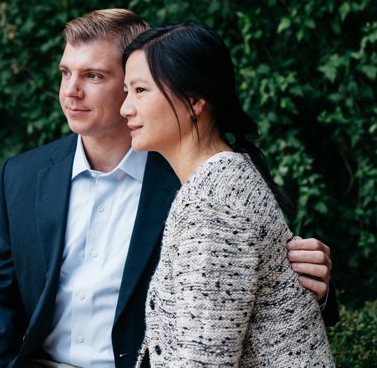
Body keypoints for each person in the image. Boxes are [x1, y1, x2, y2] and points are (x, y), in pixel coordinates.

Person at [0, 9, 337, 368]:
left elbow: (246, 290)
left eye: (94, 76)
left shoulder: (195, 181)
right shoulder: (22, 175)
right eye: (65, 72)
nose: (70, 91)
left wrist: (310, 285)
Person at [121, 21, 335, 366]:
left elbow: (203, 359)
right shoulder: (222, 181)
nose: (125, 108)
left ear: (194, 101)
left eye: (140, 90)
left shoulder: (214, 205)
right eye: (126, 91)